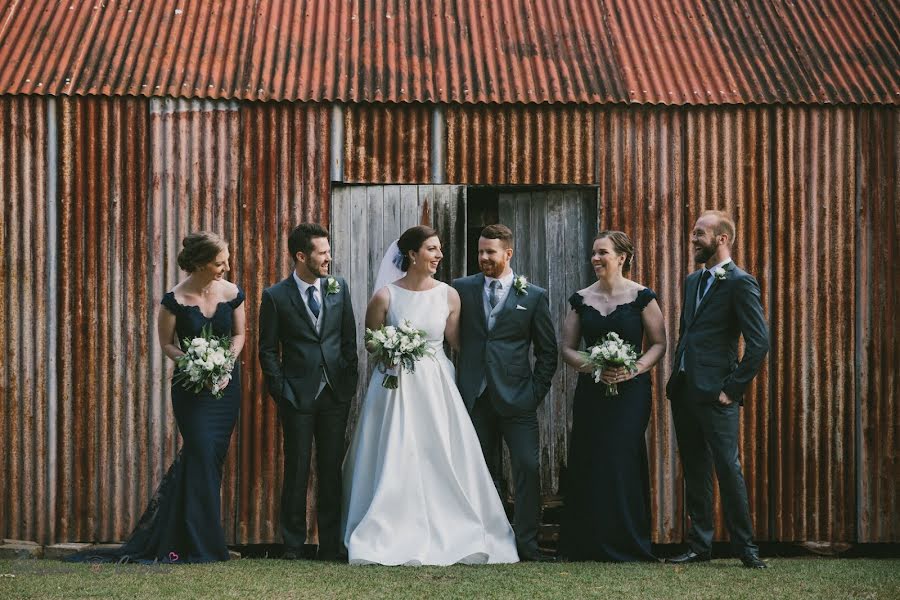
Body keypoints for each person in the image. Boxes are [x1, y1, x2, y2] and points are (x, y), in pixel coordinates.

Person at [342, 225, 519, 566]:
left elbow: (456, 344)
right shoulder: (385, 296)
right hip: (393, 386)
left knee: (441, 454)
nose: (439, 255)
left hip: (436, 385)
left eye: (439, 250)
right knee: (396, 453)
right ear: (412, 255)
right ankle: (389, 525)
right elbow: (370, 341)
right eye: (432, 249)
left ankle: (455, 525)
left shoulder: (448, 295)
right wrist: (390, 349)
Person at [67, 231, 245, 563]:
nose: (226, 266)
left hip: (225, 388)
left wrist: (225, 363)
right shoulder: (173, 300)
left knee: (208, 461)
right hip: (191, 391)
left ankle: (188, 535)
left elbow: (239, 334)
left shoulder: (232, 292)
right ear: (202, 264)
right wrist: (194, 362)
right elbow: (167, 344)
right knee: (200, 452)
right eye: (221, 262)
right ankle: (204, 544)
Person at [665, 210, 769, 569]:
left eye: (699, 233)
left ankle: (746, 550)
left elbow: (759, 343)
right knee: (695, 469)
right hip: (684, 390)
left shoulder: (741, 282)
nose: (693, 239)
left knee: (728, 468)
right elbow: (689, 333)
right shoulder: (693, 281)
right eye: (694, 233)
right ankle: (700, 546)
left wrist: (732, 389)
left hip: (717, 394)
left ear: (721, 239)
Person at [452, 224, 558, 561]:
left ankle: (527, 543)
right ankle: (488, 541)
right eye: (480, 251)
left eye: (490, 252)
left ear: (508, 254)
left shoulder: (534, 296)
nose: (483, 258)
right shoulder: (461, 289)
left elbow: (548, 352)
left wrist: (533, 394)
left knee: (527, 467)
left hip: (518, 399)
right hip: (475, 397)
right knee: (480, 471)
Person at [557, 231, 666, 562]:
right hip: (592, 391)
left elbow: (659, 343)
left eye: (602, 252)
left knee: (620, 458)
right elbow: (567, 348)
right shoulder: (581, 299)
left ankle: (627, 542)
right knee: (590, 458)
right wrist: (593, 364)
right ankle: (587, 543)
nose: (595, 258)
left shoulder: (642, 298)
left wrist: (634, 369)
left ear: (622, 257)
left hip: (630, 394)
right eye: (593, 252)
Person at [258, 223, 358, 561]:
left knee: (331, 469)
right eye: (323, 253)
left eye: (329, 251)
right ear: (302, 256)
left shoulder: (338, 288)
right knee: (297, 469)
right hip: (296, 396)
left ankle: (331, 544)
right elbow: (268, 349)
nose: (329, 258)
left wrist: (349, 380)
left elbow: (348, 339)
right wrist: (280, 389)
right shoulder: (275, 296)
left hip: (334, 394)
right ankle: (293, 545)